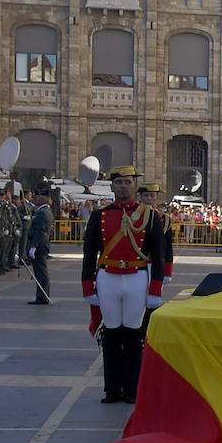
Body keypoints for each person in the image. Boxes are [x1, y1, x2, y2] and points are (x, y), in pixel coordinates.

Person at [80, 166, 167, 404]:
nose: (123, 186)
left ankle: (131, 389)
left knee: (132, 334)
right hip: (108, 276)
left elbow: (158, 255)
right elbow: (89, 253)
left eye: (127, 182)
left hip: (137, 276)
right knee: (110, 334)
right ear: (112, 187)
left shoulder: (149, 216)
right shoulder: (100, 215)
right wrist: (89, 286)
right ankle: (111, 389)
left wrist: (155, 289)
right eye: (119, 183)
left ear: (134, 187)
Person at [25, 184, 54, 304]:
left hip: (40, 245)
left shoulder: (42, 212)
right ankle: (42, 294)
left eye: (37, 197)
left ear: (42, 199)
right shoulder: (46, 211)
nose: (35, 198)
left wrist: (33, 247)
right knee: (41, 271)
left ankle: (42, 296)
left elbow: (40, 231)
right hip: (43, 244)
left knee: (40, 272)